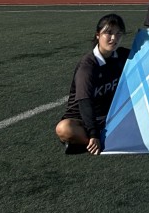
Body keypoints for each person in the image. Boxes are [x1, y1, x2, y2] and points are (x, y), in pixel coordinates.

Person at [55, 13, 129, 155]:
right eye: (108, 33)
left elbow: (146, 53)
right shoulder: (88, 66)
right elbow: (85, 102)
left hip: (107, 118)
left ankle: (84, 144)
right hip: (82, 120)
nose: (114, 38)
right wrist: (93, 134)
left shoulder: (122, 55)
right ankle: (94, 142)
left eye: (118, 33)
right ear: (97, 35)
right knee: (63, 128)